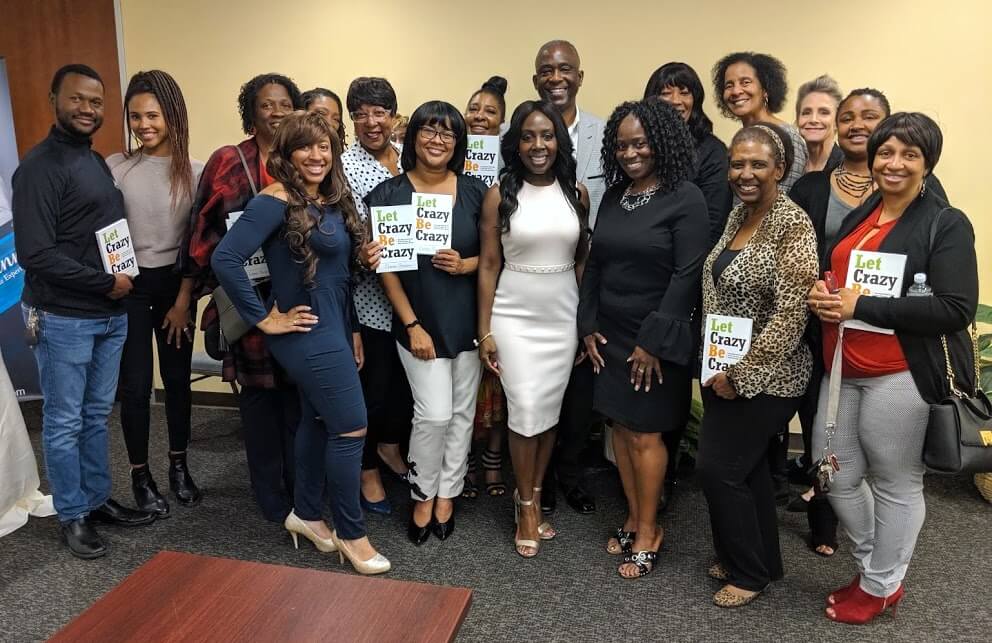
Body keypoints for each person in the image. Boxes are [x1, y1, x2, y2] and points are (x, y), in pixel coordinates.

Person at [807, 113, 977, 624]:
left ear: (927, 163)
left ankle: (880, 584)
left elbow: (955, 308)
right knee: (835, 474)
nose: (894, 163)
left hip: (901, 373)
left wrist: (862, 306)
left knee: (895, 482)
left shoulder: (945, 223)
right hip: (844, 367)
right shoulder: (867, 212)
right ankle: (876, 571)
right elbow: (843, 275)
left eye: (909, 154)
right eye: (886, 152)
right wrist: (824, 291)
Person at [212, 112, 389, 575]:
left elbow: (335, 275)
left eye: (324, 146)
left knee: (317, 420)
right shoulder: (274, 201)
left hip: (335, 325)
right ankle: (351, 533)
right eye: (305, 147)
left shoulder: (329, 198)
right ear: (287, 154)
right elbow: (225, 258)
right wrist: (264, 318)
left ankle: (307, 514)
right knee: (351, 428)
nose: (316, 156)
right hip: (307, 332)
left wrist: (362, 261)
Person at [14, 64, 156, 559]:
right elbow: (35, 254)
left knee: (96, 416)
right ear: (54, 98)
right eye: (77, 99)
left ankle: (96, 501)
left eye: (96, 102)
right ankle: (71, 514)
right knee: (64, 421)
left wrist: (118, 281)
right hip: (64, 317)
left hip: (109, 313)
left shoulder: (93, 160)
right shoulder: (38, 168)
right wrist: (105, 282)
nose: (87, 109)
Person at [579, 99, 707, 576]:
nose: (630, 153)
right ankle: (633, 517)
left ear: (663, 142)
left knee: (646, 433)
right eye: (622, 145)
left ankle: (650, 529)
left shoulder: (685, 197)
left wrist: (652, 342)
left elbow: (687, 273)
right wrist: (587, 325)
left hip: (656, 336)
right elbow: (595, 263)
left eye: (640, 143)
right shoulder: (615, 195)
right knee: (621, 428)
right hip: (610, 334)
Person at [697, 123, 817, 607]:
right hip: (720, 366)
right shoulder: (739, 214)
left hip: (770, 376)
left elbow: (791, 315)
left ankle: (749, 574)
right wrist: (716, 364)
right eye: (737, 164)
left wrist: (741, 375)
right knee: (747, 472)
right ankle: (758, 558)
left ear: (779, 169)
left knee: (718, 469)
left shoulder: (793, 225)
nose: (745, 173)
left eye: (757, 164)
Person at [183, 72, 302, 523]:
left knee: (296, 395)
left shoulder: (305, 159)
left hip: (295, 294)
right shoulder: (229, 161)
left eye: (284, 104)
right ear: (251, 112)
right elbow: (202, 228)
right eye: (266, 105)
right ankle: (269, 494)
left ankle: (301, 488)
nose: (276, 112)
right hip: (248, 295)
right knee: (259, 398)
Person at [368, 101, 486, 545]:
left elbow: (497, 256)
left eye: (448, 133)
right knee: (434, 414)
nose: (438, 140)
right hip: (418, 323)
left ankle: (447, 494)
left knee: (462, 413)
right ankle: (422, 493)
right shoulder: (388, 195)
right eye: (429, 130)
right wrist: (412, 324)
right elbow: (387, 271)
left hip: (468, 319)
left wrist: (467, 264)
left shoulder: (477, 192)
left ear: (458, 142)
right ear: (413, 136)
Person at [478, 100, 588, 557]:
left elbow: (581, 261)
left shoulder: (576, 193)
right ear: (516, 144)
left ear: (559, 141)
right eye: (527, 136)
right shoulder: (499, 194)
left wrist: (583, 324)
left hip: (562, 315)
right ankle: (525, 505)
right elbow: (488, 265)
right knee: (524, 412)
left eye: (546, 135)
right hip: (514, 315)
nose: (538, 145)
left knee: (548, 414)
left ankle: (537, 493)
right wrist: (485, 331)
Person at [788, 87, 892, 556]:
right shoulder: (810, 187)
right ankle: (823, 521)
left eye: (869, 117)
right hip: (817, 327)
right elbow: (792, 250)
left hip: (882, 332)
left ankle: (880, 529)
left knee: (876, 437)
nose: (856, 125)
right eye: (847, 117)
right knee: (820, 424)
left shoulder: (908, 185)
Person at [107, 70, 205, 518]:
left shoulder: (196, 172)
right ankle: (140, 475)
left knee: (178, 380)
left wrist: (184, 301)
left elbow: (197, 244)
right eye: (135, 117)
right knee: (135, 384)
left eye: (153, 115)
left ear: (173, 115)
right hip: (130, 287)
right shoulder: (116, 167)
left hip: (176, 288)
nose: (144, 125)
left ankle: (179, 466)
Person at [643, 61, 733, 512]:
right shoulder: (642, 147)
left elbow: (712, 226)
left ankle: (666, 475)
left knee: (672, 378)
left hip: (686, 285)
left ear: (696, 100)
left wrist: (679, 280)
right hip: (640, 283)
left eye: (685, 91)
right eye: (666, 92)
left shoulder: (712, 152)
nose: (676, 100)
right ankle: (640, 469)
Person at [533, 39, 604, 515]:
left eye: (564, 69)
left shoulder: (607, 133)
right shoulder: (519, 132)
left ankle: (572, 473)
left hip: (591, 276)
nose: (555, 78)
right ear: (536, 79)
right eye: (546, 70)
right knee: (539, 385)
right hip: (535, 279)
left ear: (580, 76)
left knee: (581, 387)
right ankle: (537, 478)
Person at [340, 77, 412, 515]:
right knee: (374, 389)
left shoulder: (409, 156)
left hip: (414, 295)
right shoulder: (343, 167)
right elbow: (335, 235)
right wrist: (359, 254)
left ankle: (389, 447)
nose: (371, 122)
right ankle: (366, 469)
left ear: (393, 116)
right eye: (361, 114)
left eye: (379, 112)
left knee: (404, 387)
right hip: (369, 300)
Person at [463, 75, 509, 499]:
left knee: (498, 378)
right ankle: (468, 460)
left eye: (490, 111)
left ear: (502, 121)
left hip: (502, 288)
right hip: (457, 292)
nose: (480, 116)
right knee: (466, 384)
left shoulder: (513, 169)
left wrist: (474, 263)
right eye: (474, 108)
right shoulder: (448, 163)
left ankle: (494, 460)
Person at [712, 52, 808, 192]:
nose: (736, 91)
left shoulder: (787, 137)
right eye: (729, 85)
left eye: (745, 82)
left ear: (765, 90)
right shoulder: (742, 138)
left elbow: (784, 197)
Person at [795, 75, 843, 173]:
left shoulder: (846, 167)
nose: (813, 120)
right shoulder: (790, 166)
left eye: (824, 112)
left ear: (837, 121)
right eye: (806, 113)